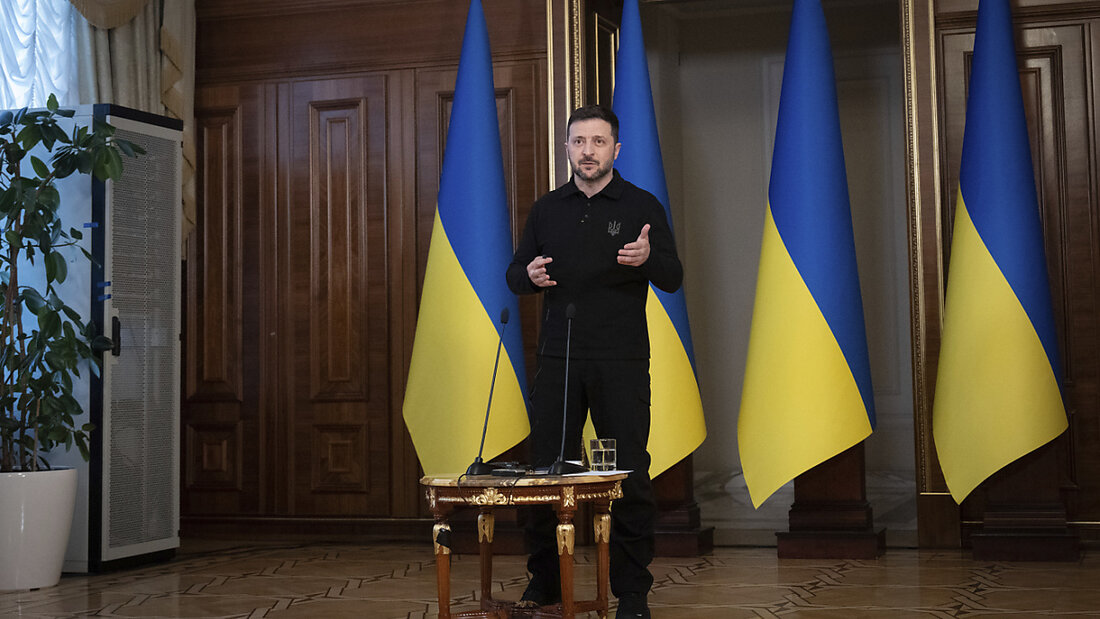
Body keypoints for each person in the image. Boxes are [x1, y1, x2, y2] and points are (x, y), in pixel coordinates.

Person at [506, 104, 682, 619]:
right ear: (567, 148)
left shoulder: (641, 205)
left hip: (621, 361)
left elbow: (673, 276)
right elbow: (515, 274)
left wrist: (648, 260)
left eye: (598, 142)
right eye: (579, 142)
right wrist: (529, 277)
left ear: (616, 150)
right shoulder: (546, 210)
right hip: (558, 361)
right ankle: (545, 581)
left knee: (629, 475)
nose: (588, 151)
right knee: (545, 475)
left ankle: (632, 592)